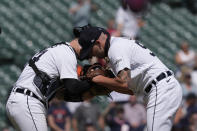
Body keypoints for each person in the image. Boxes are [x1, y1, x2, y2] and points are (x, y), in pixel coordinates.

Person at [76, 25, 182, 131]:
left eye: (90, 50)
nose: (91, 55)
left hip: (161, 88)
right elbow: (129, 90)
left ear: (98, 43)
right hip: (161, 88)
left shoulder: (115, 48)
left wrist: (98, 79)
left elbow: (123, 82)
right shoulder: (116, 47)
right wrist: (105, 83)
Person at [5, 26, 108, 131]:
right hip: (29, 101)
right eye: (92, 52)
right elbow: (73, 87)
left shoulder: (60, 49)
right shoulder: (67, 53)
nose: (90, 56)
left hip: (23, 100)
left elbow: (62, 95)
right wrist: (95, 81)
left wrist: (89, 93)